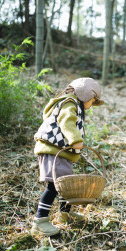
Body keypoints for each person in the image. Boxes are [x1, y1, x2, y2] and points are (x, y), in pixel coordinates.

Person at [31, 77, 105, 236]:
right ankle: (40, 221)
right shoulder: (69, 104)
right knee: (54, 186)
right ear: (85, 95)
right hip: (52, 151)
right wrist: (75, 139)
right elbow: (66, 122)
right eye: (92, 100)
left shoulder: (74, 104)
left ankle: (65, 214)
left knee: (64, 185)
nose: (92, 104)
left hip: (60, 152)